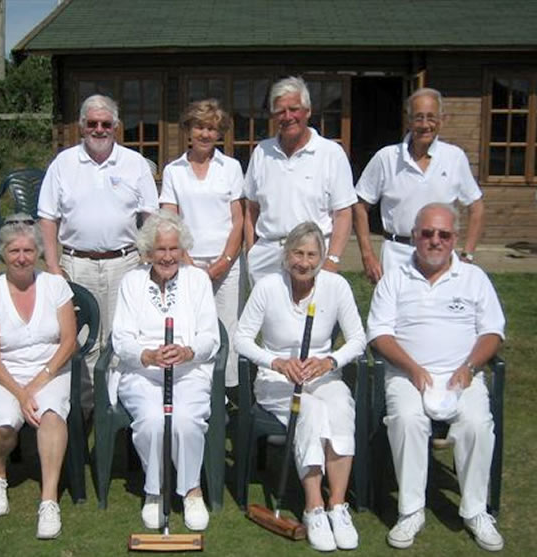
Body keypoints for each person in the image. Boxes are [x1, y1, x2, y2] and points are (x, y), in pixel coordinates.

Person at [367, 203, 505, 551]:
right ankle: (411, 510)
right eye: (427, 233)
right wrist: (411, 367)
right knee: (408, 419)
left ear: (454, 239)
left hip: (463, 375)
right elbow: (379, 333)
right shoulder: (395, 278)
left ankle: (475, 510)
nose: (435, 240)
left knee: (476, 423)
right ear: (414, 236)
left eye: (443, 234)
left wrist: (470, 367)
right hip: (406, 373)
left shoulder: (474, 278)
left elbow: (493, 332)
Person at [234, 221, 366, 552]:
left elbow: (358, 339)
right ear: (285, 253)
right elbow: (241, 338)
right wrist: (275, 362)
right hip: (276, 378)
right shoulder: (267, 287)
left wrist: (330, 362)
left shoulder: (336, 286)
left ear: (322, 257)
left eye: (311, 255)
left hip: (321, 373)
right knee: (311, 411)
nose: (304, 262)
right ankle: (313, 507)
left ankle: (337, 505)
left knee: (339, 406)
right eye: (297, 253)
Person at [38, 94, 159, 411]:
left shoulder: (134, 164)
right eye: (92, 123)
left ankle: (120, 405)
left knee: (122, 338)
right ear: (81, 126)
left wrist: (147, 259)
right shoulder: (63, 164)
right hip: (77, 264)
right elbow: (47, 218)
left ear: (116, 127)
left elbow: (150, 217)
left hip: (125, 262)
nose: (99, 129)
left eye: (106, 124)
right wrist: (52, 266)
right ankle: (85, 409)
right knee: (82, 342)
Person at [112, 210, 220, 532]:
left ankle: (191, 490)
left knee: (186, 420)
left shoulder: (198, 280)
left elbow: (210, 336)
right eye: (161, 249)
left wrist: (188, 351)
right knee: (152, 420)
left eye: (174, 249)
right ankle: (155, 491)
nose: (168, 256)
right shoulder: (131, 282)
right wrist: (146, 355)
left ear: (182, 249)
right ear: (148, 252)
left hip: (189, 371)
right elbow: (120, 338)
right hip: (142, 373)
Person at [0, 214, 77, 539]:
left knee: (52, 416)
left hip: (51, 368)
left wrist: (39, 382)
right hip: (2, 374)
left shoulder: (56, 286)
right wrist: (20, 394)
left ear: (38, 253)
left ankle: (48, 501)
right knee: (3, 421)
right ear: (3, 253)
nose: (21, 257)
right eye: (14, 250)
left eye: (29, 250)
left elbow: (69, 340)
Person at [353, 87, 485, 283]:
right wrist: (367, 255)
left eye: (431, 117)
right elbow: (359, 205)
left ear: (442, 119)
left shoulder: (454, 158)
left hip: (440, 256)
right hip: (396, 256)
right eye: (419, 117)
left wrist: (468, 255)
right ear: (408, 120)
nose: (425, 125)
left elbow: (477, 207)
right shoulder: (386, 158)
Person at [160, 99, 244, 390]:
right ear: (188, 130)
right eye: (199, 127)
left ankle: (227, 388)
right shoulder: (174, 170)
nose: (205, 134)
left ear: (219, 133)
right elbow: (170, 220)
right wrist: (186, 261)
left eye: (212, 128)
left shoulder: (231, 167)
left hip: (227, 263)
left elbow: (238, 219)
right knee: (191, 325)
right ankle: (194, 384)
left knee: (227, 326)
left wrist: (226, 261)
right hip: (187, 263)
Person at [244, 76, 357, 285]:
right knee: (266, 318)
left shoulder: (331, 153)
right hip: (267, 259)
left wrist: (332, 260)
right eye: (280, 111)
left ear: (308, 111)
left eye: (294, 109)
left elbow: (342, 214)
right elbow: (251, 209)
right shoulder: (261, 152)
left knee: (311, 317)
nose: (287, 117)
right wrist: (252, 252)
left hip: (312, 258)